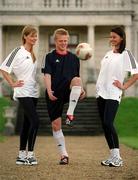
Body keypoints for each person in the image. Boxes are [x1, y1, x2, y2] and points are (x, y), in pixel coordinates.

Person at [96, 26, 138, 167]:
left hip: (113, 93)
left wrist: (124, 86)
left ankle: (118, 158)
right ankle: (112, 156)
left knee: (108, 122)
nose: (112, 39)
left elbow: (136, 74)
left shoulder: (126, 54)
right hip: (101, 93)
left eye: (114, 36)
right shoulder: (108, 53)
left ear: (121, 38)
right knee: (104, 125)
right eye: (110, 36)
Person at [42, 28, 85, 165]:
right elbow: (47, 75)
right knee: (56, 125)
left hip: (68, 90)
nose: (64, 43)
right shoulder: (49, 57)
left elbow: (77, 77)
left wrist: (82, 89)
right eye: (61, 41)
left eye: (66, 41)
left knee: (77, 82)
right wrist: (48, 90)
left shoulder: (74, 58)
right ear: (55, 41)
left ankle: (70, 113)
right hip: (54, 93)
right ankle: (64, 155)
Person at [0, 25, 40, 165]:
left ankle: (21, 155)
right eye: (32, 35)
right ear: (25, 36)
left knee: (27, 122)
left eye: (36, 36)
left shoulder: (33, 54)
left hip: (34, 92)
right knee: (36, 121)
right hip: (23, 91)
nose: (34, 38)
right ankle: (30, 155)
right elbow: (3, 68)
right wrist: (12, 83)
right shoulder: (18, 50)